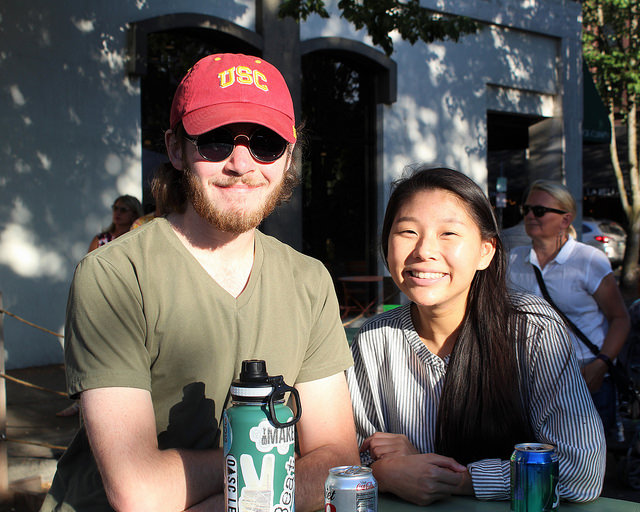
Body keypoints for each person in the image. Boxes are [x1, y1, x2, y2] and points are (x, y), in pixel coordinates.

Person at [41, 53, 359, 512]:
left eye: (266, 142)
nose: (241, 163)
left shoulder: (309, 281)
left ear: (289, 155)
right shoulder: (116, 275)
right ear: (175, 149)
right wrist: (272, 466)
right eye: (214, 140)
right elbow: (139, 493)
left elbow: (337, 462)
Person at [346, 166, 605, 506]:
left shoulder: (533, 330)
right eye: (407, 231)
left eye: (448, 233)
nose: (424, 250)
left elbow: (582, 470)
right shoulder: (374, 339)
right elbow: (352, 458)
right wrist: (381, 472)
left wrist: (450, 477)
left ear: (486, 251)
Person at [507, 179, 630, 440]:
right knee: (535, 459)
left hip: (585, 374)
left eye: (539, 210)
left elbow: (620, 318)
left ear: (565, 219)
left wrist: (602, 364)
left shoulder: (588, 260)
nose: (530, 215)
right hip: (531, 376)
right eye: (526, 209)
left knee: (588, 461)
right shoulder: (514, 259)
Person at [56, 194, 143, 418]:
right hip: (104, 304)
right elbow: (90, 269)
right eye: (115, 208)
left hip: (129, 304)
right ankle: (84, 406)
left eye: (123, 209)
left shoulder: (139, 238)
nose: (117, 212)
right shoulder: (102, 238)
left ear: (134, 213)